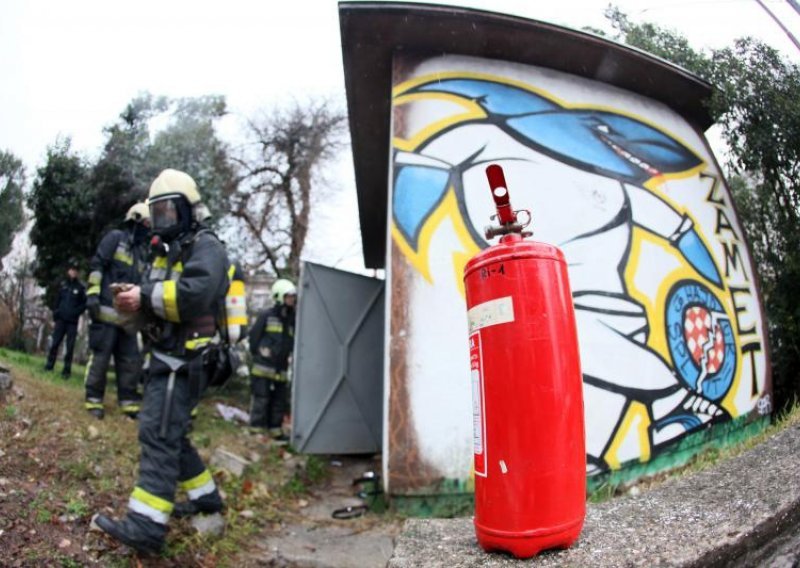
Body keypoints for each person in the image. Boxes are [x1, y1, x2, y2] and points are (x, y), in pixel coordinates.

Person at [95, 169, 228, 554]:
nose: (164, 220)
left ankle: (146, 528)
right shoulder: (163, 250)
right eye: (159, 213)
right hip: (167, 357)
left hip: (184, 361)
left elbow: (196, 293)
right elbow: (158, 302)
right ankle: (206, 500)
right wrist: (132, 302)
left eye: (171, 212)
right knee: (172, 432)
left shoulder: (207, 247)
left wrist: (145, 295)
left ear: (190, 212)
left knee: (158, 432)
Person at [83, 203, 150, 420]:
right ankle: (93, 400)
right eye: (147, 224)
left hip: (128, 321)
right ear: (136, 221)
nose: (149, 229)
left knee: (131, 360)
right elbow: (97, 265)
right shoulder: (115, 238)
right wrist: (92, 294)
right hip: (105, 313)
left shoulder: (143, 252)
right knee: (100, 359)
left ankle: (129, 403)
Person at [248, 278, 296, 439]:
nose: (292, 299)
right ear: (279, 296)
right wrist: (260, 354)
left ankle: (275, 429)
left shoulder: (292, 320)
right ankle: (256, 429)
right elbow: (254, 338)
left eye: (293, 297)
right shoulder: (267, 316)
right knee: (261, 398)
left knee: (279, 400)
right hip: (263, 367)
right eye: (289, 296)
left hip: (281, 368)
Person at [44, 261, 86, 378]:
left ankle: (66, 371)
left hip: (72, 322)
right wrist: (56, 313)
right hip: (61, 320)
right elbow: (56, 300)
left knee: (70, 346)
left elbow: (84, 304)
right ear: (68, 271)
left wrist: (76, 313)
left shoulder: (81, 287)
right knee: (55, 343)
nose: (74, 272)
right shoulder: (62, 285)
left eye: (76, 270)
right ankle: (49, 365)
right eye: (72, 269)